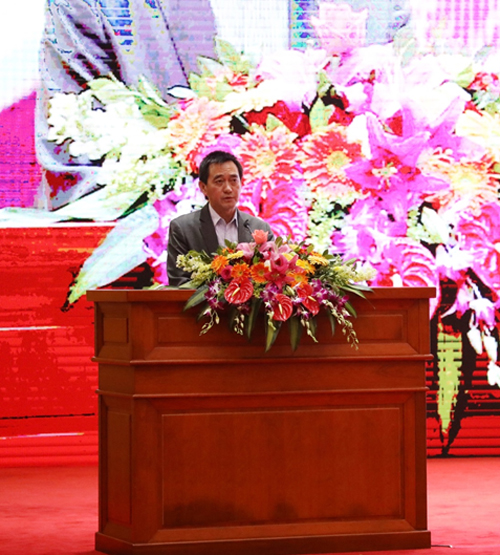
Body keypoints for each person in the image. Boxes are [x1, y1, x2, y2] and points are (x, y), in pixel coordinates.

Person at [167, 150, 274, 286]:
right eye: (219, 181)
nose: (228, 189)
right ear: (203, 187)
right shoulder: (183, 229)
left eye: (234, 180)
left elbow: (272, 279)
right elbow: (179, 283)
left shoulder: (259, 229)